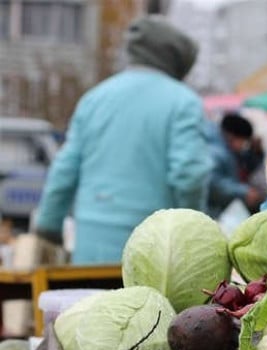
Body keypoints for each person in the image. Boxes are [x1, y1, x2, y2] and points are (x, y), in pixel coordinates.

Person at [34, 16, 212, 264]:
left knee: (94, 303)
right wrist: (194, 232)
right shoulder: (183, 101)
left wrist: (49, 224)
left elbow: (65, 167)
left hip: (91, 241)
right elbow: (188, 174)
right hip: (155, 246)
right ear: (177, 60)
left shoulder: (95, 98)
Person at [206, 112, 267, 218]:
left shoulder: (226, 149)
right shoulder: (216, 153)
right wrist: (244, 192)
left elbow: (248, 165)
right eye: (243, 142)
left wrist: (257, 153)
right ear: (232, 137)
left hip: (225, 209)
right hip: (215, 212)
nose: (244, 147)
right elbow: (213, 182)